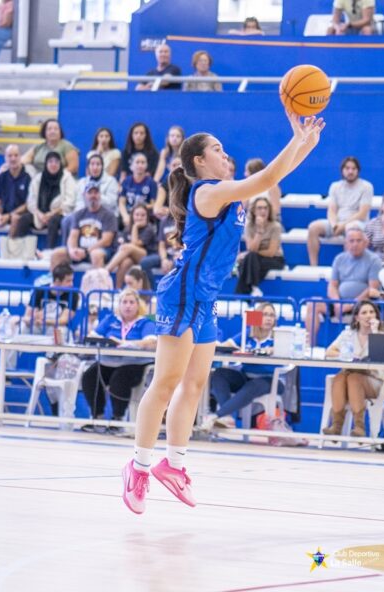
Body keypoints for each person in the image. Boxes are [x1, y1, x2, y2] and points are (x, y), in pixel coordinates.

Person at [120, 112, 324, 514]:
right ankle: (138, 467)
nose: (225, 154)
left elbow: (271, 181)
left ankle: (173, 465)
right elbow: (265, 179)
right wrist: (295, 137)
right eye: (217, 149)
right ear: (198, 161)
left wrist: (304, 143)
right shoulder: (207, 191)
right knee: (166, 382)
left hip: (206, 297)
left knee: (195, 386)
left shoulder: (229, 192)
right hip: (182, 292)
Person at [81, 288, 157, 432]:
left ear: (138, 305)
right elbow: (93, 335)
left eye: (131, 302)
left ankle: (118, 419)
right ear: (119, 304)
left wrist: (126, 343)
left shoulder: (145, 322)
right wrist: (107, 341)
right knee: (90, 376)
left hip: (134, 363)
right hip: (108, 361)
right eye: (124, 302)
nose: (128, 305)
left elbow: (151, 342)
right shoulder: (110, 320)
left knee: (119, 378)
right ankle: (97, 417)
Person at [204, 302, 280, 429]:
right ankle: (227, 418)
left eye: (272, 316)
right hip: (246, 376)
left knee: (253, 385)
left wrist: (273, 349)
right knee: (219, 373)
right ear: (257, 316)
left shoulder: (278, 337)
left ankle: (217, 415)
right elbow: (228, 345)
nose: (268, 318)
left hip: (270, 379)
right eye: (264, 314)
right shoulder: (248, 333)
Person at [304, 226, 381, 346]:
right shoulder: (339, 259)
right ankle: (310, 346)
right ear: (346, 243)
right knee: (312, 304)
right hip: (340, 303)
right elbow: (332, 285)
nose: (355, 244)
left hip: (363, 303)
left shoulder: (374, 260)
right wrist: (337, 304)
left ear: (365, 243)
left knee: (368, 305)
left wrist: (350, 305)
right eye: (351, 241)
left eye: (358, 240)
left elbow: (372, 289)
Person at [323, 300, 384, 437]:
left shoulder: (380, 335)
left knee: (354, 378)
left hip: (374, 381)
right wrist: (346, 355)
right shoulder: (348, 334)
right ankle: (336, 426)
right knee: (341, 377)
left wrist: (374, 332)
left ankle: (359, 427)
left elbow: (381, 357)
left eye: (372, 312)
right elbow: (329, 352)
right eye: (364, 313)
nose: (369, 316)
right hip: (350, 376)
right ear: (357, 317)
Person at [307, 156, 373, 266]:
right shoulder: (335, 186)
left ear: (358, 171)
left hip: (357, 223)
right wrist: (334, 225)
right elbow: (331, 210)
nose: (350, 171)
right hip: (338, 222)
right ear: (342, 170)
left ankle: (347, 268)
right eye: (347, 168)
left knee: (350, 229)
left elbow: (362, 214)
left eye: (353, 169)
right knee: (313, 227)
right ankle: (313, 266)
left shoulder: (366, 187)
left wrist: (342, 226)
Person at [11, 152, 76, 249]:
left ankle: (48, 252)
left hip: (60, 213)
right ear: (46, 164)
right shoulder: (38, 178)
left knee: (53, 221)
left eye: (56, 162)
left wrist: (51, 213)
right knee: (23, 219)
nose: (53, 164)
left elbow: (69, 201)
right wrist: (39, 214)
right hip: (40, 214)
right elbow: (31, 201)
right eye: (50, 162)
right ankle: (17, 251)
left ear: (60, 164)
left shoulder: (67, 178)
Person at [236, 196, 285, 297]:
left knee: (248, 259)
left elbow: (271, 252)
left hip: (275, 259)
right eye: (259, 208)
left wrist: (249, 253)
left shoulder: (275, 226)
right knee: (249, 259)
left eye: (265, 208)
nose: (263, 211)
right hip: (255, 260)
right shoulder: (249, 226)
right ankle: (253, 288)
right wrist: (259, 230)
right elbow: (251, 248)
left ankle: (244, 292)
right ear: (253, 211)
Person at [64, 181, 117, 268]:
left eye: (96, 193)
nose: (93, 196)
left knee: (95, 254)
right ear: (84, 195)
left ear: (100, 195)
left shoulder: (109, 215)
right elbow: (73, 236)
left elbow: (106, 241)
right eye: (90, 193)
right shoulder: (78, 214)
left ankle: (98, 281)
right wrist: (72, 250)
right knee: (58, 254)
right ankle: (57, 280)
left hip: (102, 250)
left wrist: (86, 251)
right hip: (81, 250)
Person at [106, 204, 158, 289]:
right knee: (125, 262)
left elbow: (134, 244)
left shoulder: (149, 228)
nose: (139, 217)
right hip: (132, 257)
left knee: (128, 247)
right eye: (137, 215)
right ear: (132, 215)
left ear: (147, 217)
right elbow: (121, 243)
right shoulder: (127, 228)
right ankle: (118, 290)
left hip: (147, 256)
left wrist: (135, 227)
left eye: (143, 215)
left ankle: (106, 270)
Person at [141, 214, 182, 290]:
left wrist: (178, 256)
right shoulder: (164, 221)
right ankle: (153, 291)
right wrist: (164, 259)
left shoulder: (187, 219)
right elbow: (161, 245)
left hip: (181, 254)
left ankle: (172, 293)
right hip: (166, 254)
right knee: (144, 263)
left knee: (176, 264)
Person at [119, 153, 158, 229]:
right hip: (129, 214)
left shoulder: (151, 183)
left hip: (144, 216)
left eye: (143, 162)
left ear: (146, 165)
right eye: (137, 162)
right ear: (131, 166)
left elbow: (154, 204)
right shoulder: (126, 181)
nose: (140, 165)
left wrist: (138, 209)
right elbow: (121, 202)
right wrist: (125, 216)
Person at [243, 158, 282, 222]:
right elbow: (243, 207)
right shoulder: (248, 187)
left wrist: (262, 220)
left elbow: (276, 210)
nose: (245, 174)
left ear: (253, 172)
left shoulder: (273, 186)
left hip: (270, 222)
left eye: (247, 171)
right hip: (251, 222)